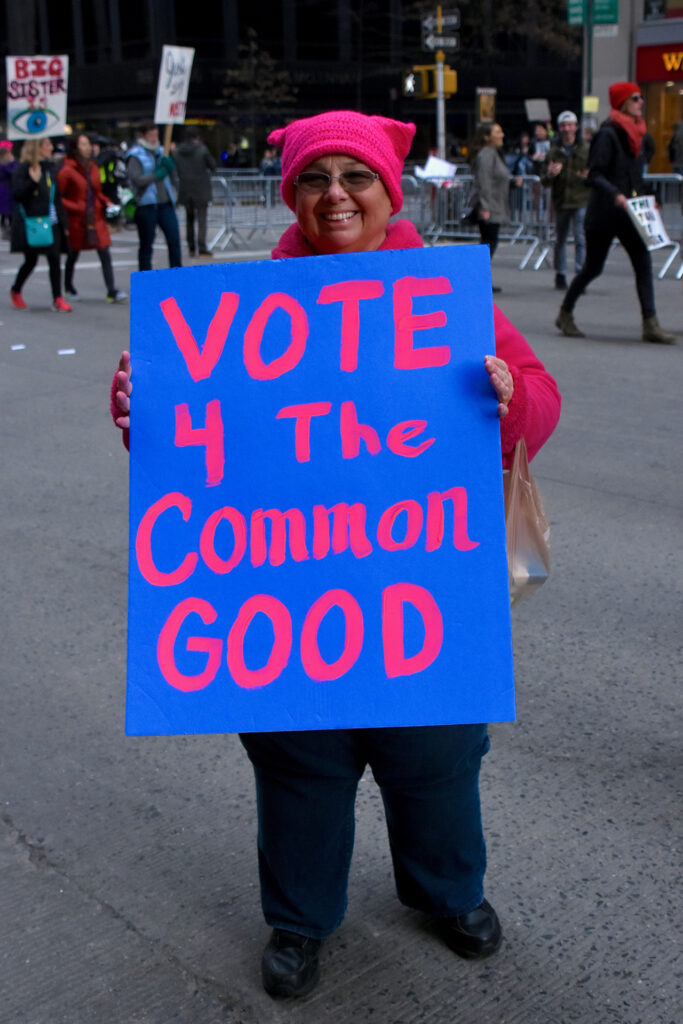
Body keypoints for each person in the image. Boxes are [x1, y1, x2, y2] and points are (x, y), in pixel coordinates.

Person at [111, 110, 561, 1000]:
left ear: (389, 191)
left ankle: (448, 892)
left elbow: (539, 403)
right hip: (286, 596)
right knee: (298, 765)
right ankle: (300, 919)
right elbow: (201, 460)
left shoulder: (441, 295)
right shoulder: (242, 308)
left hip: (421, 589)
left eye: (354, 177)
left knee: (433, 758)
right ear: (293, 196)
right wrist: (146, 409)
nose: (335, 196)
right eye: (314, 179)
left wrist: (508, 398)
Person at [556, 82, 676, 344]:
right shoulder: (607, 134)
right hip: (604, 215)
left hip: (629, 214)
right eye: (635, 98)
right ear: (623, 102)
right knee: (593, 267)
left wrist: (650, 198)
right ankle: (565, 313)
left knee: (643, 264)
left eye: (641, 97)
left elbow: (635, 176)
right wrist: (616, 195)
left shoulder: (641, 135)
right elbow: (594, 175)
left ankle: (650, 324)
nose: (641, 102)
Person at [57, 132, 126, 303]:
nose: (88, 148)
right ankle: (68, 286)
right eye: (84, 144)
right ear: (75, 147)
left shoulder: (94, 167)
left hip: (95, 217)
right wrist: (76, 207)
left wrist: (106, 202)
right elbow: (59, 198)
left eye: (89, 144)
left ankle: (111, 289)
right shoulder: (67, 170)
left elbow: (96, 191)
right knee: (73, 254)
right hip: (77, 220)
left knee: (104, 251)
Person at [9, 136, 71, 312]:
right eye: (47, 145)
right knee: (31, 261)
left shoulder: (49, 168)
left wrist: (63, 223)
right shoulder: (23, 170)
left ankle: (57, 297)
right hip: (33, 222)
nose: (51, 148)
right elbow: (18, 194)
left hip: (52, 221)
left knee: (54, 259)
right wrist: (33, 182)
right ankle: (16, 289)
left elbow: (56, 198)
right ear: (36, 148)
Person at [541, 111, 590, 290]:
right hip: (561, 200)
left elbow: (595, 173)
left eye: (570, 125)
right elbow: (544, 180)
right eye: (563, 126)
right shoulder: (554, 151)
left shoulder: (586, 149)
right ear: (560, 129)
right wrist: (549, 174)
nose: (567, 129)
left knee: (580, 237)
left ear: (576, 127)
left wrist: (587, 176)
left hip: (580, 200)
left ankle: (580, 275)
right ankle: (560, 274)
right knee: (560, 239)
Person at [126, 123, 182, 271]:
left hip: (165, 203)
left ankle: (177, 275)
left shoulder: (163, 152)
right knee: (146, 244)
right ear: (143, 136)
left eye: (156, 135)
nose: (154, 139)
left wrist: (170, 167)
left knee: (174, 239)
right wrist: (155, 175)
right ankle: (146, 278)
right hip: (146, 204)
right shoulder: (135, 155)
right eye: (151, 135)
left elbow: (173, 177)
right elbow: (136, 180)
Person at [470, 123, 519, 291]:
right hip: (490, 206)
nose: (502, 135)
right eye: (498, 132)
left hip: (496, 204)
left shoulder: (494, 154)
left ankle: (480, 280)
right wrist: (485, 206)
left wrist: (512, 183)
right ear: (487, 136)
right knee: (488, 242)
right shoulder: (486, 155)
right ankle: (478, 280)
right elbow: (483, 181)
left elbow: (498, 178)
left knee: (490, 242)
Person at [173, 128, 216, 257]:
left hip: (185, 188)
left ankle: (191, 247)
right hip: (200, 188)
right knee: (202, 219)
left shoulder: (177, 152)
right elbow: (212, 165)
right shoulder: (201, 150)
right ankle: (202, 247)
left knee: (189, 219)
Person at [0, 141, 17, 239]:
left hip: (6, 190)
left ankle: (6, 228)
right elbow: (14, 171)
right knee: (8, 212)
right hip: (6, 191)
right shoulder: (6, 166)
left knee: (6, 213)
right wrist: (13, 162)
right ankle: (8, 230)